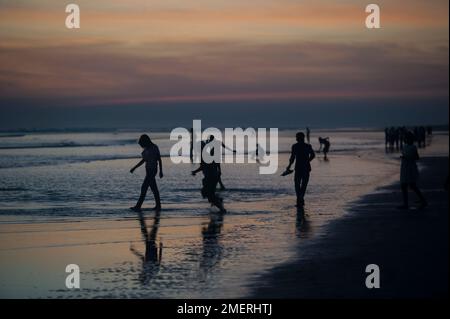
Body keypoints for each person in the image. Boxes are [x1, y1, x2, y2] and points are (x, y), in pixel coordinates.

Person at [130, 134, 163, 212]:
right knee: (153, 188)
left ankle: (138, 206)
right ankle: (158, 205)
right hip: (148, 170)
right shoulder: (146, 149)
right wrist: (134, 168)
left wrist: (161, 171)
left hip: (153, 170)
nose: (141, 145)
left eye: (142, 143)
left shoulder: (154, 148)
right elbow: (143, 160)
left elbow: (159, 159)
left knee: (144, 188)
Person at [192, 141, 226, 213]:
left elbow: (204, 166)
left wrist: (195, 171)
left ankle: (221, 208)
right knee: (209, 194)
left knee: (207, 194)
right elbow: (205, 166)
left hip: (211, 177)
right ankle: (219, 203)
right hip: (212, 177)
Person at [398, 131, 427, 210]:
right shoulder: (406, 146)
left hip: (409, 167)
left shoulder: (412, 147)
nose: (403, 139)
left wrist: (407, 158)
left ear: (408, 138)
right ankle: (420, 201)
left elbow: (417, 157)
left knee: (409, 185)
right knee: (408, 185)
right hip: (406, 167)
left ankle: (407, 204)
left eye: (405, 138)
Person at [286, 132, 316, 207]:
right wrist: (307, 161)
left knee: (297, 184)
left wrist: (289, 166)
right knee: (304, 184)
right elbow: (313, 155)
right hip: (306, 167)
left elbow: (292, 158)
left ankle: (299, 199)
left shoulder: (295, 146)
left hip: (298, 167)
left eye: (296, 137)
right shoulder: (308, 146)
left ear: (299, 138)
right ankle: (300, 198)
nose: (296, 138)